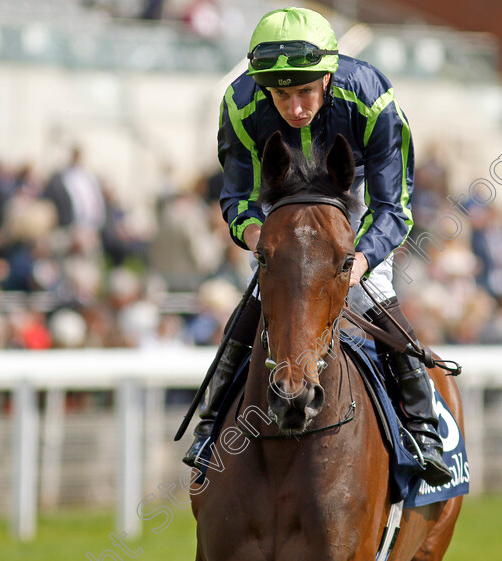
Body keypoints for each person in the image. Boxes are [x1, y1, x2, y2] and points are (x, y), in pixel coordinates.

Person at [183, 7, 453, 486]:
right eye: (281, 95)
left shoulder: (371, 97)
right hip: (282, 209)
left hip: (351, 201)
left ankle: (423, 429)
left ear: (328, 75)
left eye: (306, 91)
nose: (296, 108)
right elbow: (238, 198)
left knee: (376, 295)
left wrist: (360, 261)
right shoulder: (241, 102)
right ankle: (209, 427)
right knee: (259, 298)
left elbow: (395, 207)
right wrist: (262, 243)